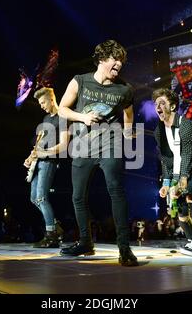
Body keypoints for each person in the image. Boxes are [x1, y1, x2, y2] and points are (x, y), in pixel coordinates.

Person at [58, 40, 138, 266]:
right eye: (116, 59)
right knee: (77, 196)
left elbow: (129, 114)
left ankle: (124, 248)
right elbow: (62, 108)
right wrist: (83, 117)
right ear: (102, 59)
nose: (119, 64)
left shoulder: (124, 89)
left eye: (122, 61)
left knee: (116, 190)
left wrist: (129, 133)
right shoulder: (80, 81)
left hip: (110, 144)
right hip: (83, 146)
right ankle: (85, 242)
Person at [153, 88, 192, 257]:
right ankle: (191, 241)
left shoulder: (186, 125)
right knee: (179, 208)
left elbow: (188, 154)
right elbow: (166, 159)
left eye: (162, 103)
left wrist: (183, 180)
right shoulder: (159, 131)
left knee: (190, 196)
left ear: (172, 106)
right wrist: (166, 184)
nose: (158, 106)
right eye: (156, 103)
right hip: (179, 170)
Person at [24, 87, 68, 248]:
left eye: (43, 102)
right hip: (38, 162)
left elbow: (64, 145)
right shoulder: (45, 119)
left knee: (41, 197)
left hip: (50, 162)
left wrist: (45, 153)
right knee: (34, 198)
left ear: (51, 99)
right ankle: (55, 226)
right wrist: (30, 157)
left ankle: (51, 235)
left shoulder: (62, 117)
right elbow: (39, 143)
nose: (41, 105)